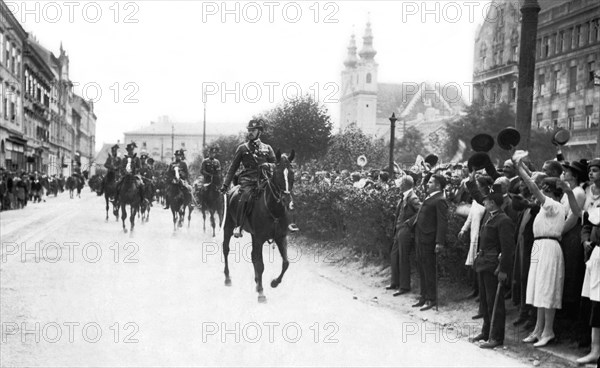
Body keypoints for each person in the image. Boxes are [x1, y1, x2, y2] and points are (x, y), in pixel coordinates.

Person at [516, 156, 566, 348]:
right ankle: (538, 329)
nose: (543, 192)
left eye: (547, 190)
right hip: (539, 246)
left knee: (547, 289)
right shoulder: (546, 207)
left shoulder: (555, 206)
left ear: (555, 192)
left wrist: (520, 169)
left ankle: (548, 331)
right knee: (537, 288)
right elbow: (535, 186)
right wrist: (520, 167)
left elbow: (534, 188)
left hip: (549, 247)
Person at [470, 186, 515, 349]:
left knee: (494, 301)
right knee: (485, 300)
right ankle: (486, 331)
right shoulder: (490, 216)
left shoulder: (504, 221)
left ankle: (496, 336)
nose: (484, 202)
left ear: (493, 203)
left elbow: (508, 248)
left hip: (493, 265)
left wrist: (503, 270)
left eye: (487, 201)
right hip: (483, 263)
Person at [220, 119, 277, 238]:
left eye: (253, 130)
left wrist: (268, 165)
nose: (250, 132)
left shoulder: (267, 148)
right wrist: (225, 185)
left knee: (278, 196)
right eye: (249, 130)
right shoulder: (242, 148)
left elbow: (275, 164)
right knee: (245, 196)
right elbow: (233, 168)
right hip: (248, 181)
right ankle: (239, 226)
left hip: (264, 180)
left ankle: (280, 225)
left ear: (259, 132)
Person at [412, 173, 449, 311]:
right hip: (420, 237)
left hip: (429, 239)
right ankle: (423, 296)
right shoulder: (430, 197)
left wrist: (439, 242)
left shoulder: (440, 199)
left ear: (438, 185)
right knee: (421, 267)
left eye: (431, 182)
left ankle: (431, 298)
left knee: (429, 269)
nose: (427, 184)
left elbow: (442, 223)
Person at [387, 175, 420, 296]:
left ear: (405, 184)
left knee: (403, 258)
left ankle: (404, 286)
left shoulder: (413, 197)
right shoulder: (405, 196)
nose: (399, 185)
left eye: (400, 183)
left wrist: (409, 223)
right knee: (394, 256)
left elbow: (420, 211)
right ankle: (394, 282)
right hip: (399, 230)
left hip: (405, 231)